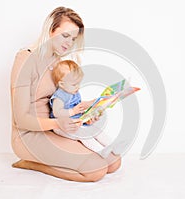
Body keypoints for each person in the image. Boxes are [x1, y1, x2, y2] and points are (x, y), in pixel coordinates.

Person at [10, 6, 121, 182]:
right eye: (65, 35)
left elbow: (64, 103)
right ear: (50, 30)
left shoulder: (59, 62)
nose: (69, 43)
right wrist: (59, 122)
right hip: (30, 134)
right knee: (97, 171)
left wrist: (86, 114)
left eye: (73, 39)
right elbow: (20, 118)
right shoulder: (25, 59)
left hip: (57, 129)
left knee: (114, 163)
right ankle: (32, 163)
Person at [49, 59, 114, 158]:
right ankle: (101, 151)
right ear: (62, 84)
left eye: (79, 83)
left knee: (96, 129)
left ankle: (112, 145)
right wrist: (73, 111)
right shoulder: (60, 96)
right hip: (61, 125)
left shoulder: (72, 91)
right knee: (85, 136)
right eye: (75, 84)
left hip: (77, 120)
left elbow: (80, 105)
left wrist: (94, 102)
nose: (78, 87)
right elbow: (57, 112)